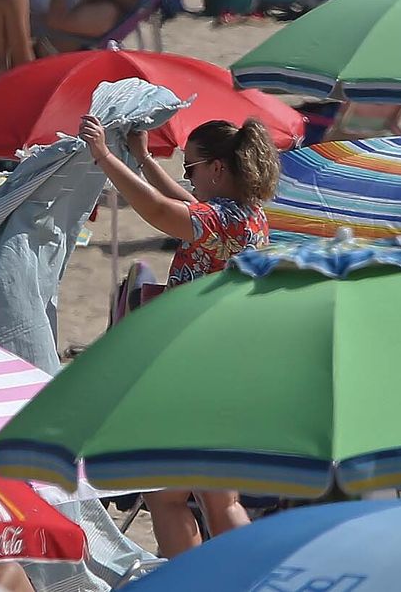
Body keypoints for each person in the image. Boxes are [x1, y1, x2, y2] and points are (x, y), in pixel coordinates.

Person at [78, 115, 278, 558]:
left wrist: (104, 156)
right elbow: (184, 203)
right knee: (220, 500)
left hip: (191, 369)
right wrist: (145, 160)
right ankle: (242, 574)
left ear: (218, 168)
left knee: (167, 496)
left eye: (191, 167)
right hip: (230, 369)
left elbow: (158, 210)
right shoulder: (250, 217)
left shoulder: (217, 221)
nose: (188, 177)